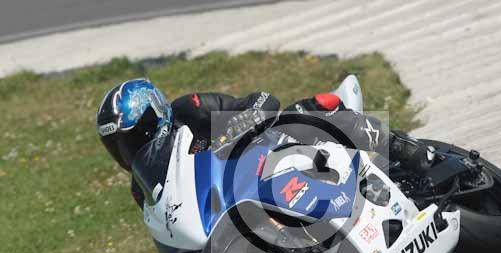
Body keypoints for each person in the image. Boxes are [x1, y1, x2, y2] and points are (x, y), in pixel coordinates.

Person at [96, 78, 433, 208]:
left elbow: (263, 100)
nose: (128, 151)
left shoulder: (191, 109)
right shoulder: (144, 188)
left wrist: (245, 119)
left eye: (135, 136)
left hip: (274, 150)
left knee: (306, 114)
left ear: (156, 114)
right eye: (118, 146)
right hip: (249, 198)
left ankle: (407, 150)